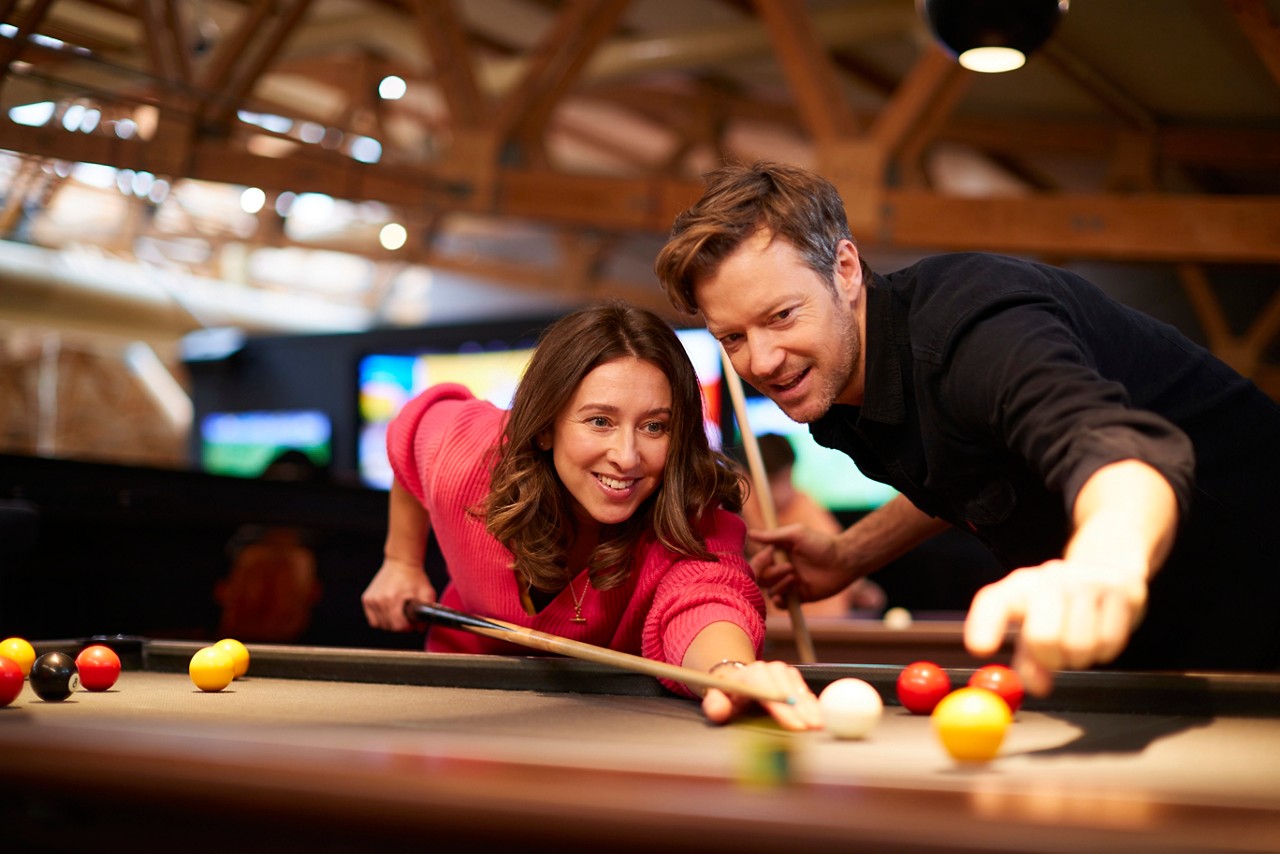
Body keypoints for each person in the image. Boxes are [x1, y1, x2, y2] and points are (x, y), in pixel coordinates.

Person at [654, 160, 1280, 697]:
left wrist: (1105, 564)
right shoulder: (838, 385)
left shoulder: (981, 334)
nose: (761, 361)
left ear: (845, 269)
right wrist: (851, 553)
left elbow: (1117, 453)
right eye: (732, 337)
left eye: (782, 315)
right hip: (1169, 640)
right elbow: (966, 467)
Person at [361, 301, 821, 730]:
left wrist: (731, 672)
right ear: (545, 426)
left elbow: (706, 601)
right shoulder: (473, 457)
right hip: (459, 704)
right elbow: (414, 426)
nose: (627, 456)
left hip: (604, 723)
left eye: (654, 426)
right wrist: (400, 560)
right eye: (600, 420)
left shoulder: (690, 515)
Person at [740, 433, 885, 617]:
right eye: (775, 482)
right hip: (776, 630)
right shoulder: (737, 509)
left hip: (825, 624)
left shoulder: (803, 504)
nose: (784, 492)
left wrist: (860, 587)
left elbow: (835, 553)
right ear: (746, 478)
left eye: (788, 478)